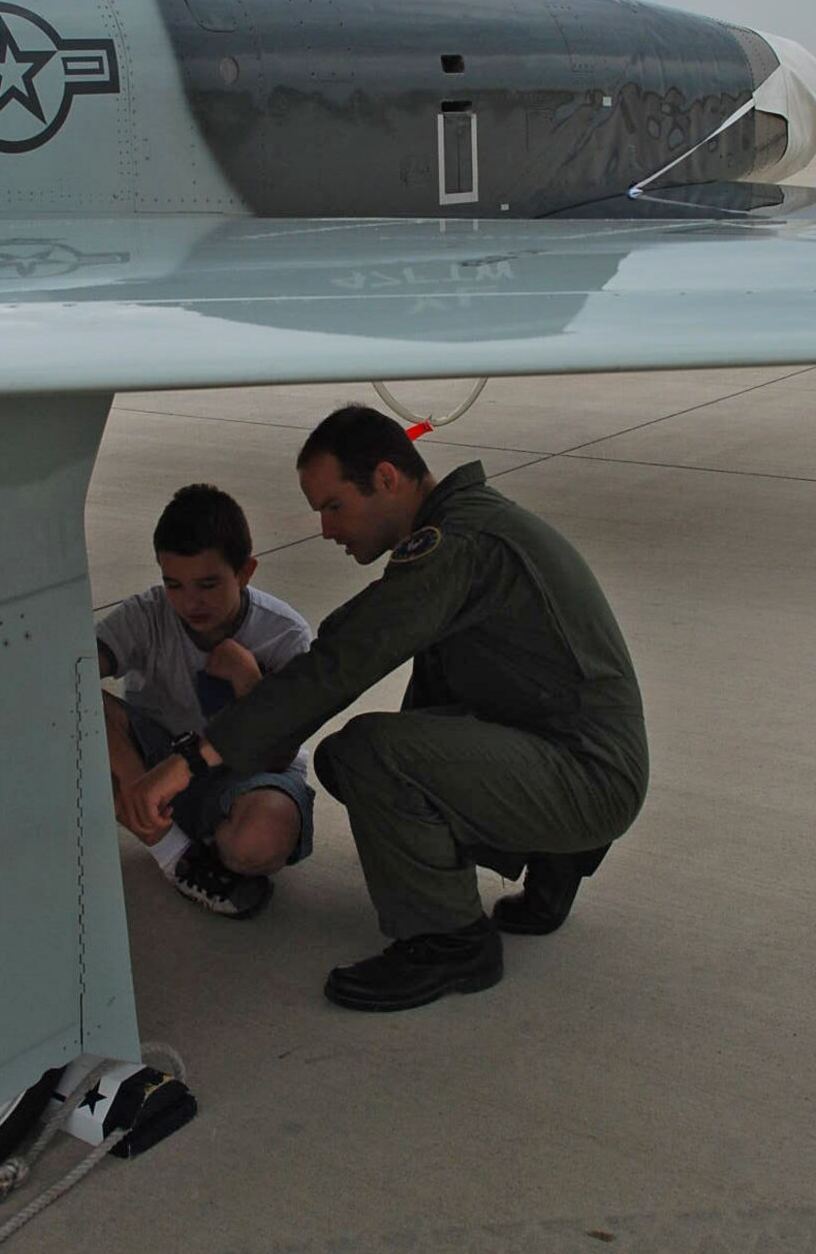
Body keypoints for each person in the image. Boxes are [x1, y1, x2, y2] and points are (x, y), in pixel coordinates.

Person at [116, 407, 647, 1008]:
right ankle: (556, 854)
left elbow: (340, 663)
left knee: (368, 754)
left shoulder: (455, 545)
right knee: (383, 743)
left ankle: (449, 942)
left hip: (586, 773)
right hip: (574, 753)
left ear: (388, 479)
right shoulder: (472, 525)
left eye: (333, 505)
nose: (325, 528)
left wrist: (193, 757)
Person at [98, 482, 315, 919]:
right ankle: (176, 855)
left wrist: (250, 680)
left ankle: (208, 841)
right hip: (155, 759)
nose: (190, 602)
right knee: (74, 706)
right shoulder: (148, 614)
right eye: (174, 584)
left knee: (260, 842)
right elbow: (69, 671)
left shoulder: (286, 635)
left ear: (246, 572)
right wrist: (136, 779)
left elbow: (277, 755)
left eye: (209, 584)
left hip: (247, 773)